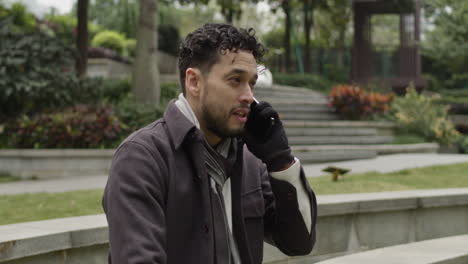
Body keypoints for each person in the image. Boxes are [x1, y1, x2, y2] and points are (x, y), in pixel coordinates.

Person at [102, 23, 317, 264]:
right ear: (194, 82)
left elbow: (299, 242)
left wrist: (280, 160)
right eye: (235, 80)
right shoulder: (142, 159)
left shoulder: (250, 161)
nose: (248, 95)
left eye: (252, 83)